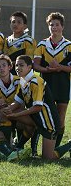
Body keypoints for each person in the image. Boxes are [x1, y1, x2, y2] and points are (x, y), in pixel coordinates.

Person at [2, 55, 71, 159]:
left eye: (21, 65)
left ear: (29, 67)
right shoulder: (22, 80)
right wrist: (9, 109)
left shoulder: (36, 81)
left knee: (48, 158)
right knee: (5, 113)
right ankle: (18, 147)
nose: (18, 68)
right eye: (16, 65)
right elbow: (17, 102)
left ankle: (69, 145)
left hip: (49, 124)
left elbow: (37, 108)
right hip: (36, 118)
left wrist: (16, 114)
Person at [33, 12, 71, 148]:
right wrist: (46, 70)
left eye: (56, 24)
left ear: (62, 27)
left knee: (60, 119)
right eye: (51, 25)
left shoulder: (69, 45)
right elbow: (35, 65)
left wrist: (59, 67)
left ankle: (55, 148)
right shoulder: (42, 44)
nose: (54, 27)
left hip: (63, 85)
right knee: (43, 117)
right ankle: (35, 149)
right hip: (46, 85)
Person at [0, 55, 20, 143]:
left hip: (18, 109)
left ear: (10, 67)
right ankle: (7, 144)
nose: (1, 68)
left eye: (4, 65)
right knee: (3, 111)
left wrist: (12, 106)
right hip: (2, 111)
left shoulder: (19, 80)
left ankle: (21, 145)